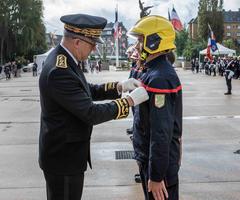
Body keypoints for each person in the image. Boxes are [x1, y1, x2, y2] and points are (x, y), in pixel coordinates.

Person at [38, 14, 149, 200]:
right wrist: (128, 102)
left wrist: (119, 86)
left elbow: (86, 90)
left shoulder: (67, 60)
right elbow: (90, 113)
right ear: (77, 42)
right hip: (63, 159)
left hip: (65, 154)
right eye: (92, 43)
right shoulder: (59, 70)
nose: (95, 48)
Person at [128, 15, 183, 200]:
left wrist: (157, 176)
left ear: (154, 41)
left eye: (140, 40)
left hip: (158, 167)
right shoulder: (153, 72)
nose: (136, 46)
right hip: (149, 160)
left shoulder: (159, 77)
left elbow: (161, 132)